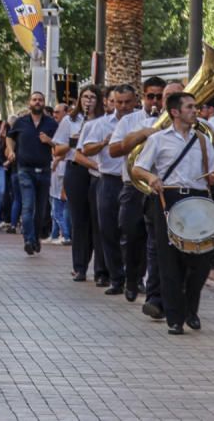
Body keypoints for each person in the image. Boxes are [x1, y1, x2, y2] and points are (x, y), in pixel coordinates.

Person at [132, 91, 214, 335]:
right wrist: (152, 177)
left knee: (201, 262)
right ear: (175, 112)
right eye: (191, 107)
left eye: (196, 107)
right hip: (169, 198)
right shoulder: (159, 139)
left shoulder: (202, 140)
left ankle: (191, 308)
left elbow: (212, 173)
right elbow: (139, 168)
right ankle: (175, 318)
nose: (196, 110)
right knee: (169, 261)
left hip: (199, 199)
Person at [108, 77, 166, 303]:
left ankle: (151, 288)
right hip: (133, 185)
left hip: (158, 186)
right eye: (150, 96)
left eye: (159, 97)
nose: (154, 101)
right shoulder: (129, 121)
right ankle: (131, 279)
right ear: (143, 96)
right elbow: (113, 151)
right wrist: (142, 134)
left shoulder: (173, 120)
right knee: (131, 234)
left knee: (154, 240)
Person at [83, 85, 136, 292]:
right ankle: (116, 278)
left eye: (126, 102)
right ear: (111, 101)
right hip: (109, 180)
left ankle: (134, 277)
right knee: (108, 230)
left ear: (134, 101)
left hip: (132, 182)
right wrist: (104, 143)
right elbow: (86, 149)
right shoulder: (101, 124)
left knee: (132, 231)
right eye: (118, 102)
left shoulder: (142, 121)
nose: (122, 106)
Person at [59, 86, 103, 282]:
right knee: (79, 220)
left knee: (96, 220)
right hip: (76, 170)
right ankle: (79, 266)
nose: (88, 101)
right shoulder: (70, 120)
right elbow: (57, 150)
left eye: (93, 97)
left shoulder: (103, 121)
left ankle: (98, 267)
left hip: (97, 171)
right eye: (85, 97)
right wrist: (72, 142)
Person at [6, 91, 59, 255]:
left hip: (44, 170)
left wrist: (49, 141)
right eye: (34, 100)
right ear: (29, 103)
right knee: (28, 206)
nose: (37, 102)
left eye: (40, 100)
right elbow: (10, 137)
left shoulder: (51, 124)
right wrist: (10, 150)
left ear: (44, 103)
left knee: (41, 209)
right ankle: (28, 239)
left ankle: (35, 238)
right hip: (25, 170)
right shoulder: (21, 122)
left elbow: (61, 145)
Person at [47, 102, 71, 245]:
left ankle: (66, 234)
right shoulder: (57, 127)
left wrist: (58, 158)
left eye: (58, 112)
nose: (55, 115)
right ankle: (55, 234)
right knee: (54, 203)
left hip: (63, 169)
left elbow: (69, 149)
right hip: (55, 170)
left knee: (59, 205)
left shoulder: (68, 126)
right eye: (54, 112)